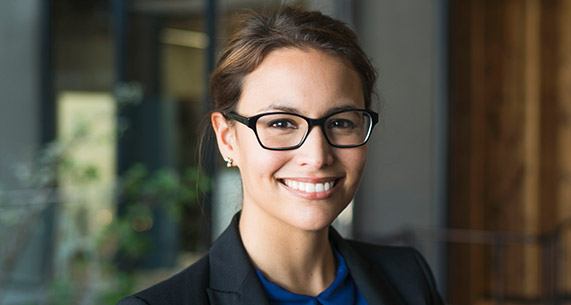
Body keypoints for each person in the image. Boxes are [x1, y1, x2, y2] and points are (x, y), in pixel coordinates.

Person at [119, 6, 444, 305]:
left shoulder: (407, 276)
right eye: (281, 123)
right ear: (227, 138)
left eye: (341, 122)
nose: (317, 156)